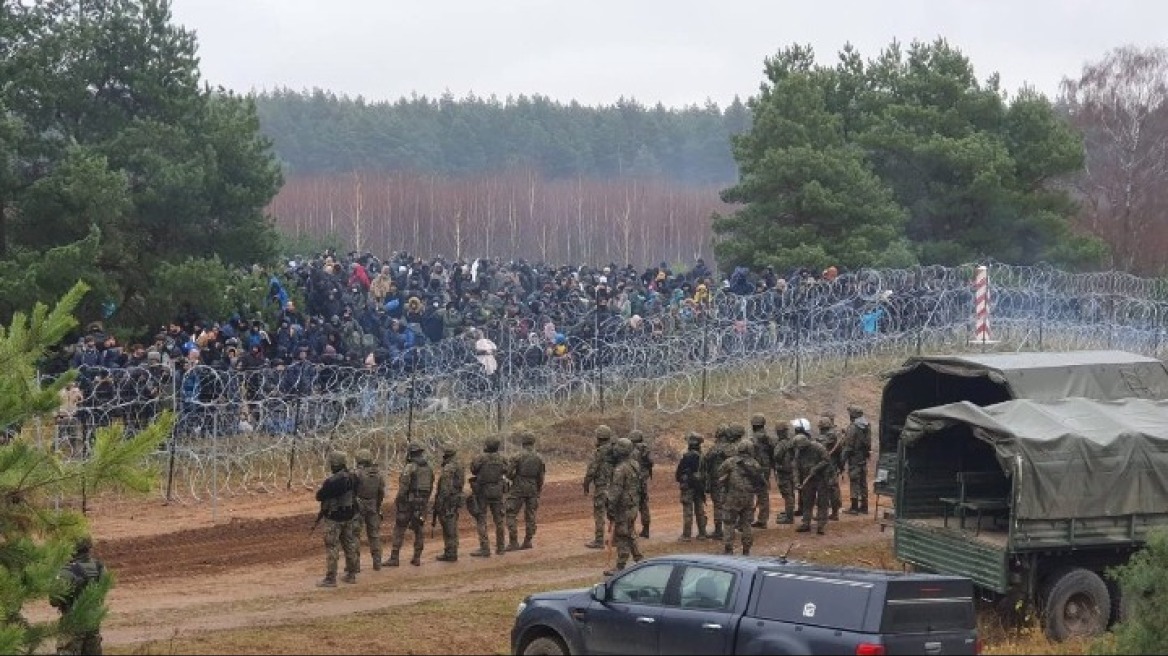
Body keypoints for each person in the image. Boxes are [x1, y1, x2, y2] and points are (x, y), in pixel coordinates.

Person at [50, 536, 105, 655]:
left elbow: (54, 601)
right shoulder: (99, 567)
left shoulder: (67, 571)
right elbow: (102, 593)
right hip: (93, 622)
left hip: (72, 622)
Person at [314, 451, 360, 586]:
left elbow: (319, 496)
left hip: (334, 518)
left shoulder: (332, 481)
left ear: (334, 464)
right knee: (349, 545)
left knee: (332, 547)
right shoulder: (353, 477)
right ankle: (351, 574)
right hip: (349, 515)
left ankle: (331, 578)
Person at [387, 443, 433, 567]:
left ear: (410, 454)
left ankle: (394, 557)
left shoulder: (410, 467)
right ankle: (417, 557)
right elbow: (431, 486)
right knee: (419, 530)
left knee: (399, 529)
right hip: (422, 502)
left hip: (408, 502)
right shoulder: (428, 468)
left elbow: (403, 488)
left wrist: (399, 501)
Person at [605, 437, 644, 576]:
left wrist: (610, 508)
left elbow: (615, 491)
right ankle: (639, 559)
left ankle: (620, 566)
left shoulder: (620, 469)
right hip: (633, 504)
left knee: (622, 535)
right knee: (630, 531)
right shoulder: (634, 464)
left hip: (623, 506)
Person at [719, 440, 765, 555]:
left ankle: (728, 549)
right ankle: (746, 550)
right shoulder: (755, 463)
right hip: (749, 499)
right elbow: (761, 481)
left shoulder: (730, 462)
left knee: (729, 523)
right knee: (746, 524)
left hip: (732, 498)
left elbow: (719, 474)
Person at [506, 430, 545, 551]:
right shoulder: (539, 457)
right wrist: (538, 489)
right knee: (531, 515)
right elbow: (541, 476)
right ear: (533, 442)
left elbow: (508, 473)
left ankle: (513, 542)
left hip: (518, 487)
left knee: (511, 513)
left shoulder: (517, 456)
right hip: (533, 487)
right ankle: (528, 540)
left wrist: (514, 478)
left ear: (523, 442)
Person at [791, 419, 832, 535]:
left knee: (822, 502)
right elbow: (795, 468)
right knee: (807, 501)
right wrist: (797, 481)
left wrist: (816, 468)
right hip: (807, 479)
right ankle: (806, 523)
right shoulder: (799, 452)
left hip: (822, 478)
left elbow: (827, 460)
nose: (800, 450)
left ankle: (821, 525)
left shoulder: (818, 447)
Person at [470, 436, 509, 557]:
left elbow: (473, 470)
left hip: (482, 492)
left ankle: (485, 548)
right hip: (497, 491)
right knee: (499, 520)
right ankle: (501, 547)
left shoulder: (480, 458)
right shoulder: (502, 458)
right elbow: (506, 470)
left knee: (481, 519)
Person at [352, 448, 386, 571]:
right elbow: (381, 492)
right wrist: (378, 506)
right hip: (373, 505)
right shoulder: (378, 473)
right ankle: (377, 563)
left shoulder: (357, 473)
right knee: (374, 535)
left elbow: (352, 491)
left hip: (359, 505)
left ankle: (355, 565)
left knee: (355, 535)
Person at [583, 425, 615, 548]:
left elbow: (592, 470)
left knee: (599, 513)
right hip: (614, 485)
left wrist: (586, 484)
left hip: (601, 487)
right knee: (614, 512)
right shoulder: (615, 450)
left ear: (599, 438)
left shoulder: (599, 452)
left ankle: (599, 540)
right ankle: (615, 538)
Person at [434, 444, 465, 562]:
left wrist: (439, 502)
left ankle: (451, 553)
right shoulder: (459, 464)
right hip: (455, 497)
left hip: (449, 500)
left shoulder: (449, 467)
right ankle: (451, 550)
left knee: (449, 526)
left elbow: (445, 488)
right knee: (452, 524)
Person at [675, 432, 708, 541]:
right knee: (700, 509)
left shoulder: (687, 456)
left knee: (688, 510)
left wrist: (681, 478)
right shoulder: (702, 456)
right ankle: (702, 533)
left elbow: (679, 473)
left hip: (688, 486)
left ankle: (686, 535)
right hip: (699, 486)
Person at [700, 425, 730, 539]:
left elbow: (705, 461)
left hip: (717, 480)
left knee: (718, 505)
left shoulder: (715, 448)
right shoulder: (733, 447)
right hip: (731, 480)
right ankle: (731, 528)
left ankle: (718, 530)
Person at [842, 405, 872, 515]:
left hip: (854, 459)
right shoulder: (866, 425)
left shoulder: (853, 427)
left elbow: (848, 447)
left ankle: (854, 508)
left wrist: (842, 461)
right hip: (863, 458)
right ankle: (864, 507)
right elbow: (868, 444)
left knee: (854, 482)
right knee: (863, 483)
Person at [816, 415, 843, 521]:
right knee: (833, 489)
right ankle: (834, 513)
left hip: (825, 467)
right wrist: (840, 466)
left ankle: (824, 514)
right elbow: (840, 453)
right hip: (832, 466)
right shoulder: (835, 438)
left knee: (824, 489)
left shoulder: (822, 438)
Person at [749, 414, 774, 528]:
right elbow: (773, 453)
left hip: (754, 468)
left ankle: (748, 518)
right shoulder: (768, 438)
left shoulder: (752, 438)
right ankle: (763, 519)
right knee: (763, 495)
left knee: (750, 493)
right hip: (766, 468)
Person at [628, 429, 653, 538]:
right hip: (643, 481)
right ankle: (646, 529)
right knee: (644, 506)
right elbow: (651, 463)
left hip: (634, 481)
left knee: (632, 505)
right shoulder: (646, 449)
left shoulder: (632, 451)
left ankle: (631, 530)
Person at [772, 421, 797, 525]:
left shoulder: (781, 444)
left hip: (783, 471)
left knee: (787, 495)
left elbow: (777, 456)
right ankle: (789, 513)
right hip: (792, 471)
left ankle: (789, 517)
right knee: (791, 493)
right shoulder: (792, 441)